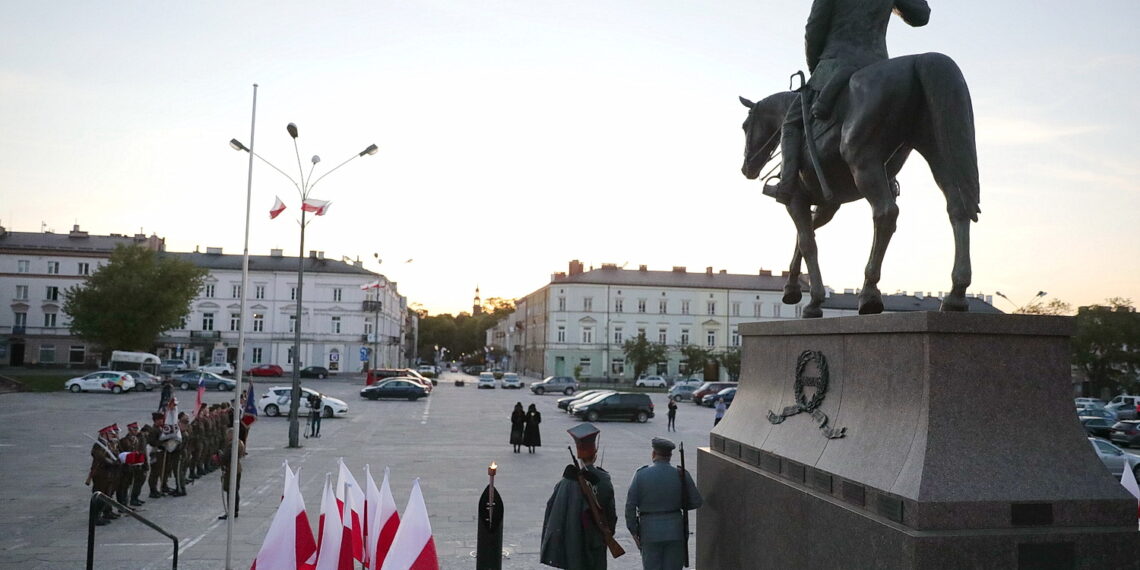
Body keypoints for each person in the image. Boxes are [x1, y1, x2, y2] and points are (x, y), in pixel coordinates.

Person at [770, 0, 931, 205]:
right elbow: (921, 15)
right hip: (877, 68)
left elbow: (814, 29)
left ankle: (787, 185)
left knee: (791, 123)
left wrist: (816, 68)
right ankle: (887, 181)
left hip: (836, 63)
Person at [541, 423, 618, 570]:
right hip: (595, 542)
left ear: (578, 455)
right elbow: (611, 513)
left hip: (572, 544)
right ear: (595, 455)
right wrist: (607, 533)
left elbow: (552, 512)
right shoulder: (604, 479)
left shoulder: (564, 482)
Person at [625, 437, 702, 570]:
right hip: (675, 531)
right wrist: (679, 504)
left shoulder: (640, 474)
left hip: (649, 532)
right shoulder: (681, 474)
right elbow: (696, 501)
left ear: (653, 454)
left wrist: (633, 530)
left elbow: (630, 506)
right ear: (670, 456)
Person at [88, 424, 120, 525]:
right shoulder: (98, 444)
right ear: (104, 434)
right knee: (99, 495)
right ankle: (95, 517)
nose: (112, 435)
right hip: (100, 473)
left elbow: (115, 453)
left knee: (107, 494)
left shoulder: (108, 444)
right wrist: (111, 461)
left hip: (108, 473)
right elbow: (98, 456)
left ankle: (104, 512)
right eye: (110, 433)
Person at [217, 427, 246, 520]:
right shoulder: (239, 442)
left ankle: (231, 511)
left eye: (228, 435)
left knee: (231, 491)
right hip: (236, 469)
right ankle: (234, 510)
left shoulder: (233, 444)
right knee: (234, 490)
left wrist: (220, 456)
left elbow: (227, 457)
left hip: (231, 469)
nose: (226, 436)